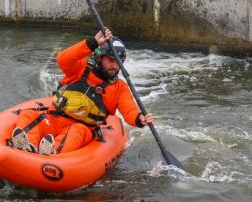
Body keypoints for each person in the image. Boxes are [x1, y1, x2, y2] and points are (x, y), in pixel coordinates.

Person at [11, 28, 154, 155]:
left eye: (118, 62)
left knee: (76, 132)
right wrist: (92, 43)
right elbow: (63, 59)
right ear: (98, 57)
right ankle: (28, 144)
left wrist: (140, 119)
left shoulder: (119, 88)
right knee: (28, 115)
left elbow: (129, 111)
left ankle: (52, 150)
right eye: (110, 60)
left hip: (83, 128)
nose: (114, 66)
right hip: (54, 118)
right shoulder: (81, 68)